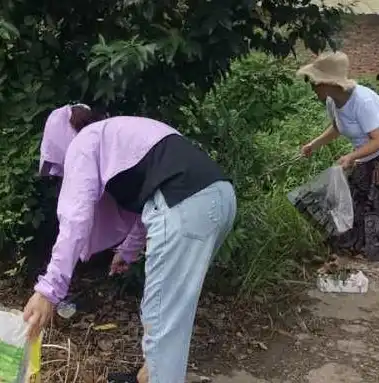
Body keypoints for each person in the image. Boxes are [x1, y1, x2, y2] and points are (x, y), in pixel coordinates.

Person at [23, 112, 237, 383]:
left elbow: (75, 218)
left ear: (59, 140)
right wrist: (128, 251)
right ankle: (146, 377)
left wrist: (48, 291)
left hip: (183, 205)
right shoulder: (121, 133)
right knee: (169, 311)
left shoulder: (82, 144)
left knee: (162, 323)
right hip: (220, 199)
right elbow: (148, 196)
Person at [297, 51, 379, 259]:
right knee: (350, 206)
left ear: (329, 83)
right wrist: (312, 145)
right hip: (364, 157)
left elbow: (377, 139)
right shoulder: (333, 101)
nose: (312, 86)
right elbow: (337, 128)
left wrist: (352, 157)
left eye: (315, 82)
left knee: (368, 210)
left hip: (374, 157)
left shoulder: (363, 102)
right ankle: (351, 250)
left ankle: (364, 254)